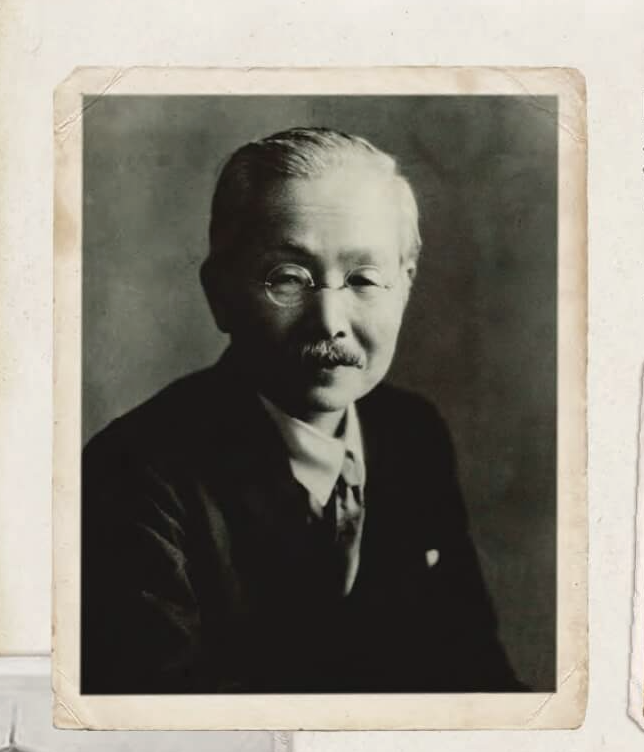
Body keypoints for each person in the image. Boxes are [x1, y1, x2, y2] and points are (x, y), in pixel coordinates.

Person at [81, 127, 524, 694]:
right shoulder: (133, 477)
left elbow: (476, 676)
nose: (330, 322)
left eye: (364, 279)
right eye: (288, 278)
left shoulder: (411, 434)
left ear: (405, 286)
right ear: (220, 294)